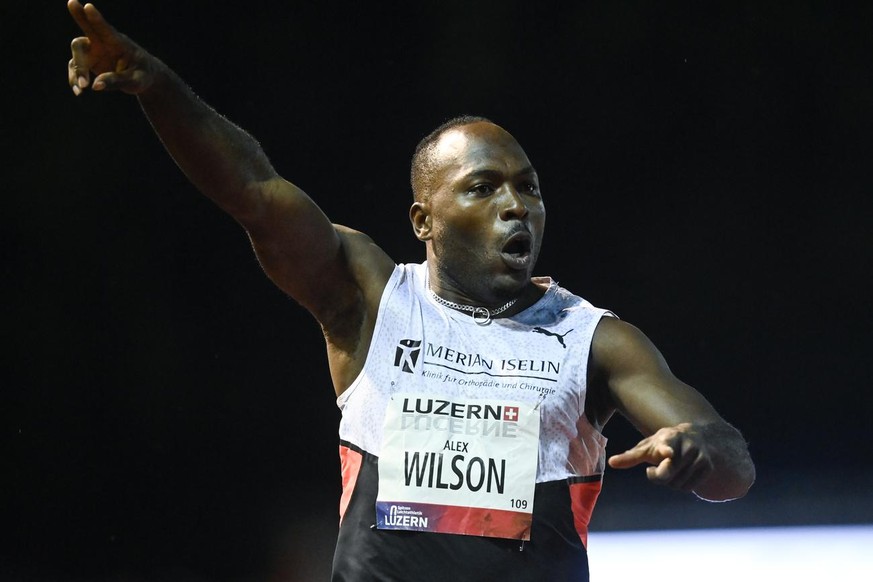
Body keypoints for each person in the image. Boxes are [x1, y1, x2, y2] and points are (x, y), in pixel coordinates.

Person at [66, 2, 755, 580]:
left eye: (528, 189)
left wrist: (697, 452)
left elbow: (730, 463)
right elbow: (252, 190)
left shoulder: (592, 340)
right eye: (483, 188)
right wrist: (159, 89)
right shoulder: (368, 296)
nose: (515, 206)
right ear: (423, 219)